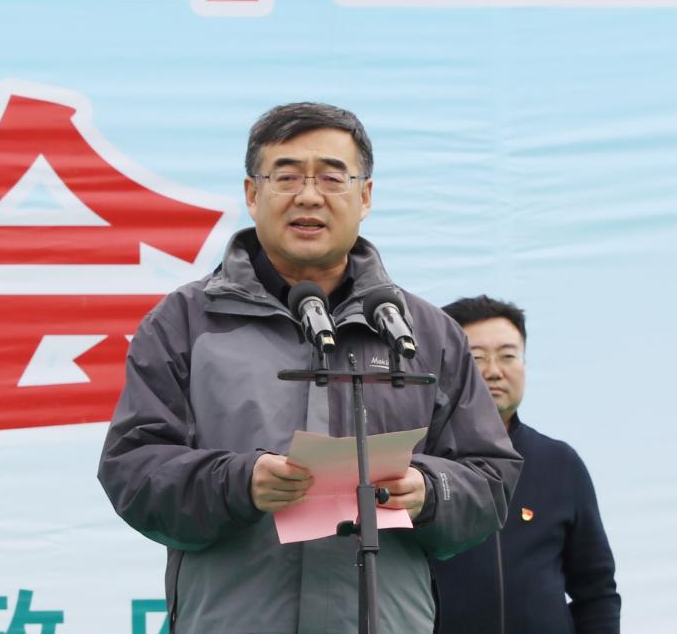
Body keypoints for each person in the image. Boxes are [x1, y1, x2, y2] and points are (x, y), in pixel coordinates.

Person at [97, 103, 522, 633]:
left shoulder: (425, 333)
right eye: (287, 176)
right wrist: (238, 483)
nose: (309, 196)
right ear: (252, 194)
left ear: (365, 196)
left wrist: (430, 491)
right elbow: (132, 469)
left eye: (331, 177)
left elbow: (490, 479)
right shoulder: (185, 322)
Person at [431, 296, 621, 634]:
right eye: (477, 358)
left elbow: (596, 589)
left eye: (508, 356)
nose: (494, 371)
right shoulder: (421, 466)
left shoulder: (560, 463)